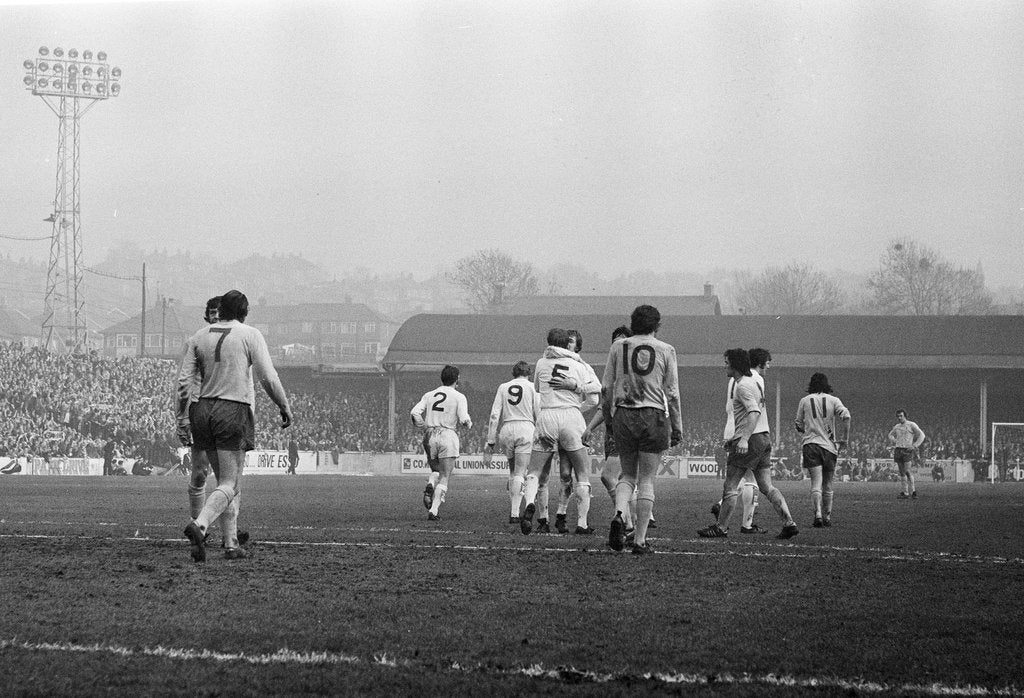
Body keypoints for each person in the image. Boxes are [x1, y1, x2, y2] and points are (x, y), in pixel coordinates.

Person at [177, 290, 293, 562]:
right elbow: (267, 376)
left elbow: (183, 385)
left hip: (201, 409)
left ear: (221, 310)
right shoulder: (250, 334)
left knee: (223, 483)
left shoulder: (198, 337)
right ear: (244, 312)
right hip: (232, 409)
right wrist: (283, 405)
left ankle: (230, 544)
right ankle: (200, 525)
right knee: (231, 482)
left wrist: (181, 418)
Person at [603, 305, 683, 555]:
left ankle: (619, 514)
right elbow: (672, 393)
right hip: (653, 414)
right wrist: (677, 426)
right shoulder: (666, 349)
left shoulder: (618, 346)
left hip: (624, 414)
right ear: (657, 326)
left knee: (627, 475)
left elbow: (605, 389)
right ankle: (639, 540)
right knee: (647, 479)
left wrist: (609, 421)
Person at [699, 348, 798, 540]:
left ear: (735, 365)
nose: (725, 365)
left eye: (727, 362)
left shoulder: (742, 385)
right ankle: (789, 522)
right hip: (764, 438)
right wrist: (735, 438)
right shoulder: (753, 381)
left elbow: (753, 412)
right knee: (767, 486)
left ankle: (721, 527)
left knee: (730, 485)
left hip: (751, 440)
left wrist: (743, 438)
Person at [519, 328, 600, 535]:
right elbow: (597, 391)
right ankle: (580, 523)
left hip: (547, 416)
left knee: (538, 472)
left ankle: (531, 504)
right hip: (571, 418)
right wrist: (576, 389)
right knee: (581, 474)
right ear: (567, 344)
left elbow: (537, 388)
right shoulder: (580, 365)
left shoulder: (540, 363)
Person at [709, 347, 772, 534]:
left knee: (736, 478)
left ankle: (723, 507)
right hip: (746, 430)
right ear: (759, 363)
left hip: (731, 426)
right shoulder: (754, 379)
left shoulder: (735, 379)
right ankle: (746, 524)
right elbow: (756, 410)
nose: (768, 367)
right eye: (767, 363)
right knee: (750, 479)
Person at [411, 365, 472, 521]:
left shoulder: (429, 395)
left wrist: (423, 426)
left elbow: (414, 412)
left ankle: (431, 482)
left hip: (430, 435)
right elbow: (464, 417)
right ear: (457, 379)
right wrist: (467, 423)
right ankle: (434, 510)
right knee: (445, 475)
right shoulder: (459, 396)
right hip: (447, 435)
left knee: (436, 470)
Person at [484, 360, 540, 524]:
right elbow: (539, 412)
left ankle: (514, 512)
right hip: (525, 427)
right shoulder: (532, 387)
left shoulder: (503, 387)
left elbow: (495, 415)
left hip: (507, 428)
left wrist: (491, 440)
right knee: (521, 472)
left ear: (513, 373)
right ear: (528, 373)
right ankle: (517, 512)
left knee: (513, 472)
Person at [794, 372, 851, 527]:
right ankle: (827, 517)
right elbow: (846, 416)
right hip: (829, 447)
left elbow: (798, 424)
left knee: (815, 482)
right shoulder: (834, 400)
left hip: (811, 445)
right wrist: (844, 439)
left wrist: (806, 430)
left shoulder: (805, 401)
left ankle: (817, 513)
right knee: (828, 484)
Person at [888, 409, 925, 499]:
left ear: (905, 416)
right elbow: (890, 435)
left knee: (907, 471)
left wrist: (915, 445)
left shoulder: (911, 424)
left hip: (907, 450)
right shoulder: (897, 426)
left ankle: (913, 491)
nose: (899, 418)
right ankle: (905, 493)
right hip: (898, 450)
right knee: (901, 472)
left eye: (901, 416)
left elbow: (922, 435)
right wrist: (896, 441)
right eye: (898, 416)